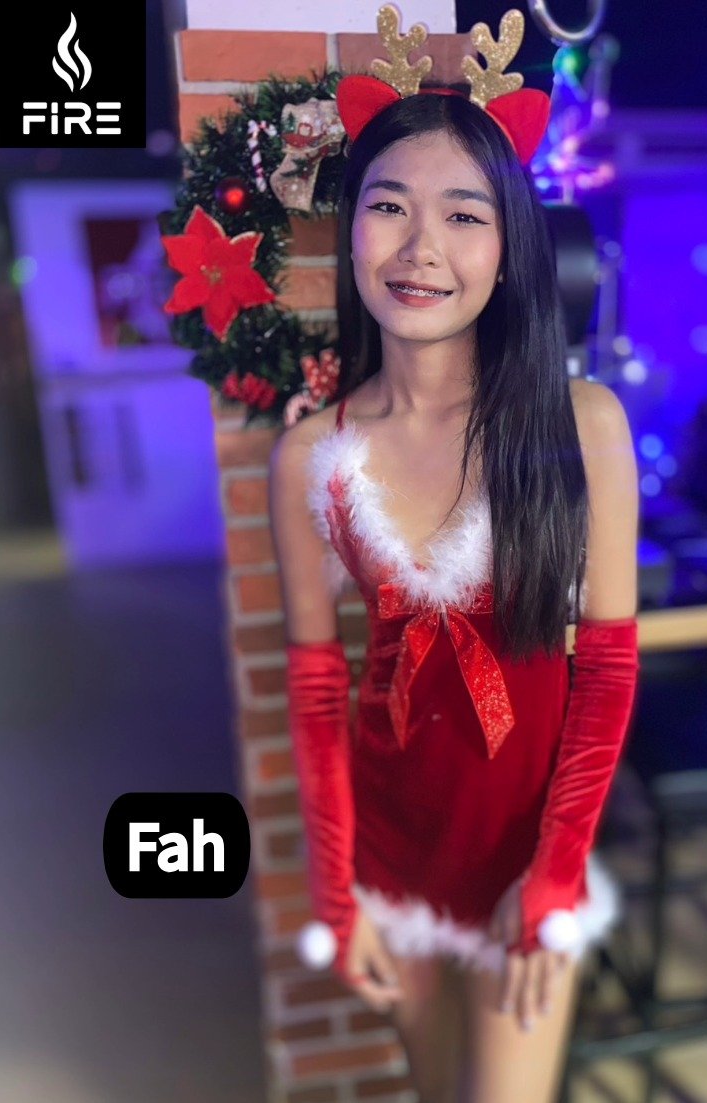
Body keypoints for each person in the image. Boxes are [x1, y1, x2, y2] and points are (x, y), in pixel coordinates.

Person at [268, 8, 640, 1100]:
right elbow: (314, 681)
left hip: (526, 843)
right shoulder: (312, 454)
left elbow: (605, 666)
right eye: (388, 206)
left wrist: (555, 869)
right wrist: (337, 889)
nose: (419, 247)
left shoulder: (580, 424)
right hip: (392, 841)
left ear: (507, 245)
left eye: (463, 215)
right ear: (350, 230)